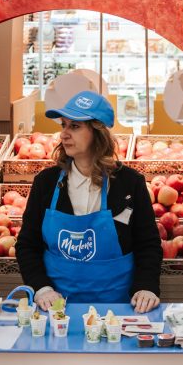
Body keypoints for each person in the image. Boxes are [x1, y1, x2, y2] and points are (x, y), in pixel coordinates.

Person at [16, 90, 162, 313]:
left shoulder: (130, 184)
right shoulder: (46, 183)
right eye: (63, 125)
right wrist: (41, 287)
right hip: (57, 308)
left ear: (98, 132)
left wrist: (146, 286)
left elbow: (148, 243)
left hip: (119, 307)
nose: (64, 134)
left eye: (74, 126)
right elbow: (27, 245)